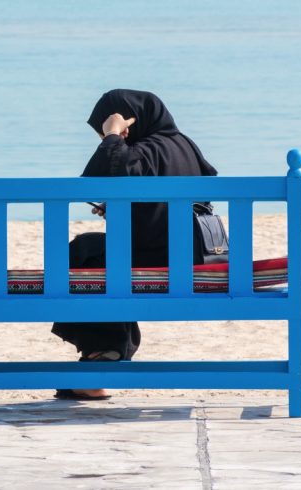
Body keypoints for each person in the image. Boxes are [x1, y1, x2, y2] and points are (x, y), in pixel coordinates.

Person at [52, 89, 217, 400]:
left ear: (132, 120)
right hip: (193, 254)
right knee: (97, 250)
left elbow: (94, 179)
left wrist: (112, 136)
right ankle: (105, 355)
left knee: (83, 253)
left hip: (163, 259)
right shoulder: (183, 145)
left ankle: (104, 355)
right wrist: (116, 208)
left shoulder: (146, 149)